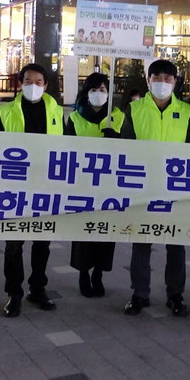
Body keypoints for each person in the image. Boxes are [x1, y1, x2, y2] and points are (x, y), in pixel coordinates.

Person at [121, 59, 190, 317]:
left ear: (175, 82)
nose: (162, 83)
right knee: (141, 242)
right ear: (148, 80)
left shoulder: (187, 111)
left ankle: (175, 294)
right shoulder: (134, 109)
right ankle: (139, 294)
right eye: (157, 78)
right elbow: (126, 146)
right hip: (143, 187)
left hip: (176, 189)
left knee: (176, 244)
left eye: (167, 78)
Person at [0, 63, 65, 316]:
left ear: (46, 85)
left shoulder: (56, 111)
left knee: (42, 243)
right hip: (14, 187)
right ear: (20, 83)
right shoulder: (6, 111)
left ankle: (38, 288)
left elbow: (66, 148)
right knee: (13, 245)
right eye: (28, 81)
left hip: (45, 186)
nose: (32, 86)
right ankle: (14, 294)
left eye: (38, 82)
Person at [67, 73, 123, 297]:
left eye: (102, 90)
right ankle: (83, 274)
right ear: (85, 93)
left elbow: (131, 148)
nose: (98, 94)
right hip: (83, 185)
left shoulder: (118, 117)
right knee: (83, 233)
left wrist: (116, 140)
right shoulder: (75, 118)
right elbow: (67, 149)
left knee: (105, 232)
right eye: (93, 89)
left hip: (110, 186)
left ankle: (98, 274)